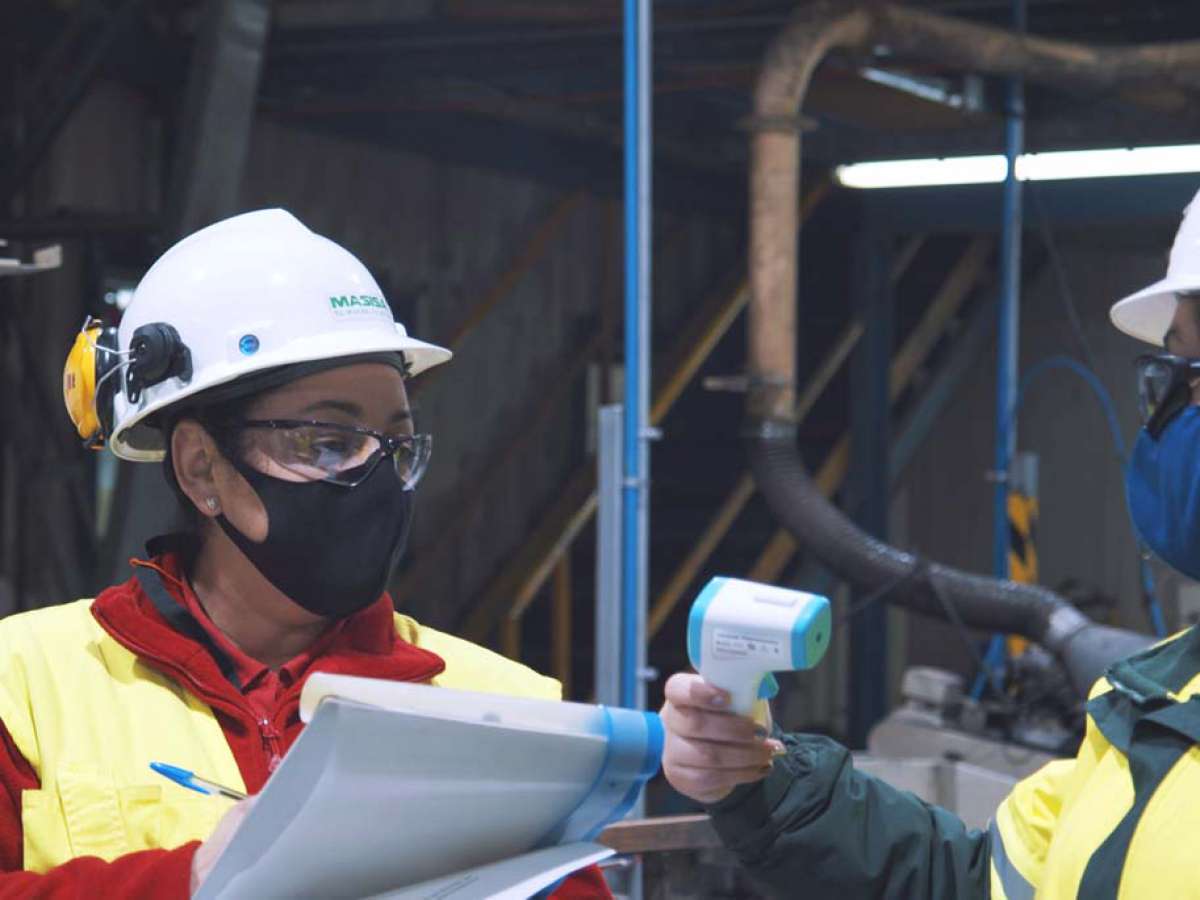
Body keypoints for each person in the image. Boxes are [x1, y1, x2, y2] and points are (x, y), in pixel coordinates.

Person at [0, 209, 610, 897]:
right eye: (326, 442)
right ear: (201, 467)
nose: (377, 479)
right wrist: (192, 882)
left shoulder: (498, 708)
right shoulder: (22, 684)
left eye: (396, 446)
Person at [660, 187, 1200, 899]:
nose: (1174, 417)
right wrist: (764, 778)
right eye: (1177, 373)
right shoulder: (1151, 699)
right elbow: (978, 884)